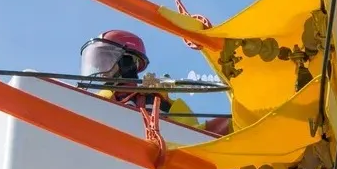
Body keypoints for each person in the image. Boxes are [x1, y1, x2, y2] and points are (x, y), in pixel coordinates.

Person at [79, 30, 232, 136]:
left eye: (105, 59)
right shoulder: (97, 102)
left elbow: (194, 139)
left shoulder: (168, 106)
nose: (99, 66)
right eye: (97, 61)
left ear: (128, 61)